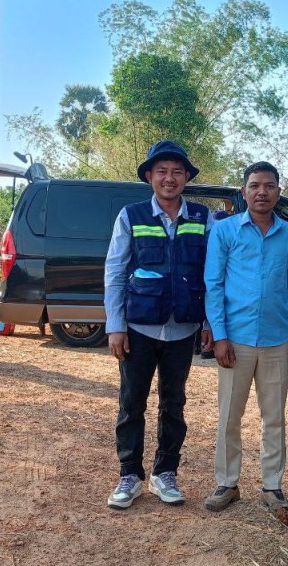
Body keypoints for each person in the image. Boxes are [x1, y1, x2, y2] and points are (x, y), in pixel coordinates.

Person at [103, 140, 214, 510]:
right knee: (131, 403)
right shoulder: (131, 216)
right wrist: (115, 325)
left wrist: (210, 322)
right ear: (150, 176)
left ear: (186, 178)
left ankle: (165, 473)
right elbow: (115, 272)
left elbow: (212, 275)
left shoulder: (203, 218)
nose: (170, 178)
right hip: (138, 328)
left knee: (174, 403)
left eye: (177, 172)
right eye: (162, 171)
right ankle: (129, 475)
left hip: (183, 329)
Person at [203, 162, 288, 514]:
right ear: (244, 191)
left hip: (277, 340)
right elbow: (214, 284)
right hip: (235, 340)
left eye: (269, 185)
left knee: (274, 416)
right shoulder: (225, 231)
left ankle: (272, 486)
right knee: (229, 415)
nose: (261, 192)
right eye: (254, 185)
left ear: (278, 191)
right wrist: (220, 336)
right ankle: (227, 483)